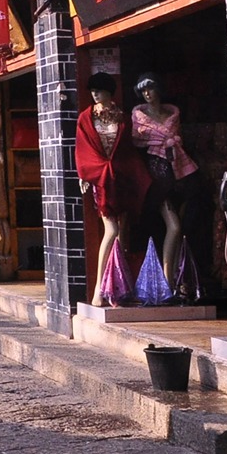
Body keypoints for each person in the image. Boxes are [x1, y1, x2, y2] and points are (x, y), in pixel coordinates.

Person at [75, 72, 152, 306]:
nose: (95, 94)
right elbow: (83, 148)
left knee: (123, 231)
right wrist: (85, 174)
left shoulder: (122, 117)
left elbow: (127, 149)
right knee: (111, 229)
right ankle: (99, 287)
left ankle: (118, 285)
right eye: (93, 91)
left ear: (109, 92)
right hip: (100, 178)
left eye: (99, 90)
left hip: (121, 178)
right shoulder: (87, 118)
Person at [131, 73, 197, 290]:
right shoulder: (139, 120)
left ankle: (177, 280)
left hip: (179, 173)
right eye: (143, 91)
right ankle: (167, 281)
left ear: (159, 89)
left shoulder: (172, 116)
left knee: (181, 226)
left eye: (150, 89)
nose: (147, 94)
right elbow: (137, 144)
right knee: (174, 226)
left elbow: (180, 145)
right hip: (157, 177)